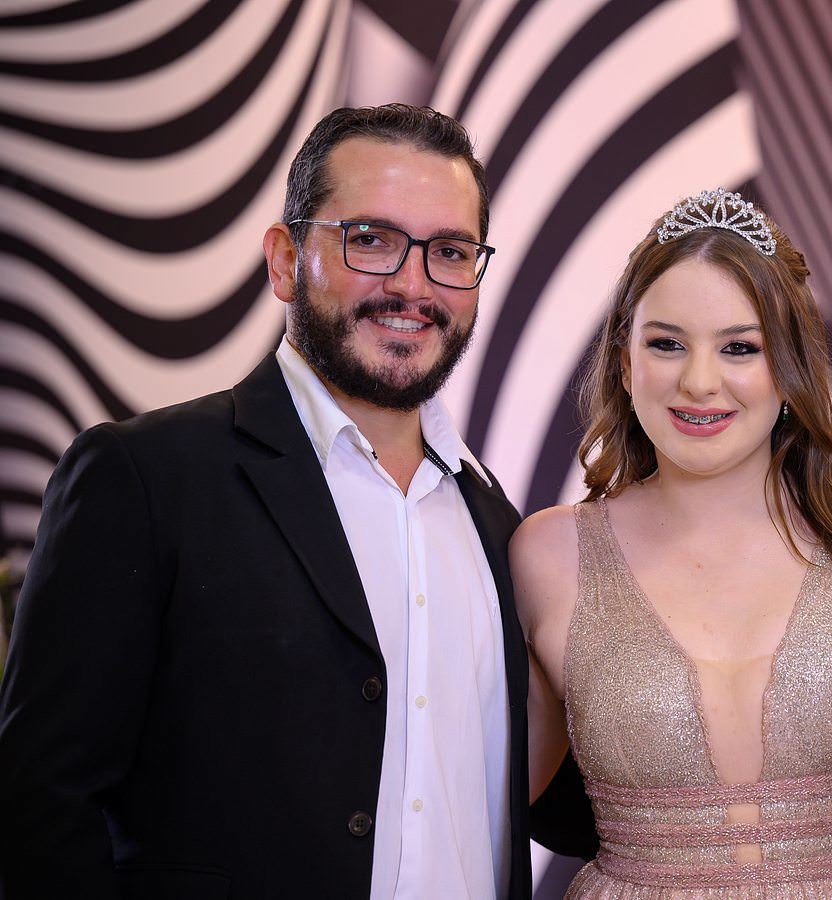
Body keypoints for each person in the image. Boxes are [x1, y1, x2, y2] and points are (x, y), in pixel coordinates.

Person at [0, 103, 575, 899]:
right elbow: (39, 808)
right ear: (284, 259)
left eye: (448, 251)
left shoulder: (500, 526)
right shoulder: (146, 478)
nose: (412, 285)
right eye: (370, 239)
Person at [511, 188, 832, 896]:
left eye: (740, 348)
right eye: (666, 344)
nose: (699, 382)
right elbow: (489, 802)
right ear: (625, 363)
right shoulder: (548, 554)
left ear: (789, 366)